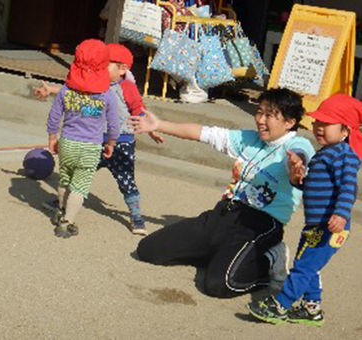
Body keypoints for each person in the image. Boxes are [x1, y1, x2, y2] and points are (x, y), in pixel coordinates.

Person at [129, 88, 315, 298]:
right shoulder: (249, 138)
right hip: (225, 213)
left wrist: (297, 166)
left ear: (290, 122)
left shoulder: (297, 145)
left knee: (221, 284)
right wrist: (159, 125)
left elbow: (301, 158)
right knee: (149, 250)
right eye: (259, 112)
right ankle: (221, 255)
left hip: (261, 225)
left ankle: (270, 260)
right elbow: (203, 133)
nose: (261, 120)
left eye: (269, 115)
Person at [247, 94, 362, 326]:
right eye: (317, 122)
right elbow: (313, 186)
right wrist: (298, 178)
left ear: (345, 131)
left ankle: (282, 305)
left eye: (327, 124)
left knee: (303, 267)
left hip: (330, 225)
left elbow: (349, 186)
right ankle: (312, 309)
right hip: (316, 225)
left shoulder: (344, 156)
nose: (319, 128)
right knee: (305, 264)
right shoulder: (325, 153)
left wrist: (341, 213)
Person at [36, 43, 164, 236]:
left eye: (106, 65)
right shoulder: (93, 84)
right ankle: (63, 205)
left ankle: (136, 216)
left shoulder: (126, 87)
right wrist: (51, 90)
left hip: (121, 143)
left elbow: (139, 109)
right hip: (93, 144)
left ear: (122, 69)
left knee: (126, 181)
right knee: (76, 177)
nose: (100, 68)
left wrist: (152, 130)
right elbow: (73, 91)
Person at [46, 39, 119, 238]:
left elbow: (54, 117)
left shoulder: (66, 90)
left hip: (67, 142)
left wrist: (53, 137)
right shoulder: (107, 94)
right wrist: (111, 142)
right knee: (80, 186)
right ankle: (66, 222)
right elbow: (114, 123)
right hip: (91, 146)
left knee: (64, 180)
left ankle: (61, 210)